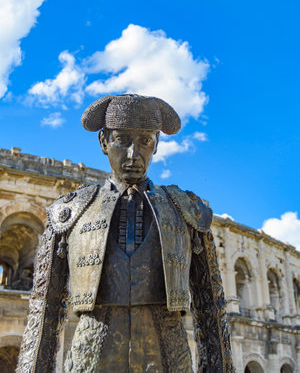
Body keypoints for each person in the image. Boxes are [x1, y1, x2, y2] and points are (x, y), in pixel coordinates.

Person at [17, 94, 234, 373]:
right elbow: (44, 309)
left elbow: (211, 309)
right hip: (91, 355)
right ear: (104, 142)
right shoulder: (69, 212)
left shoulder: (187, 211)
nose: (134, 154)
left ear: (156, 144)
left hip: (168, 357)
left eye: (145, 141)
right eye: (122, 140)